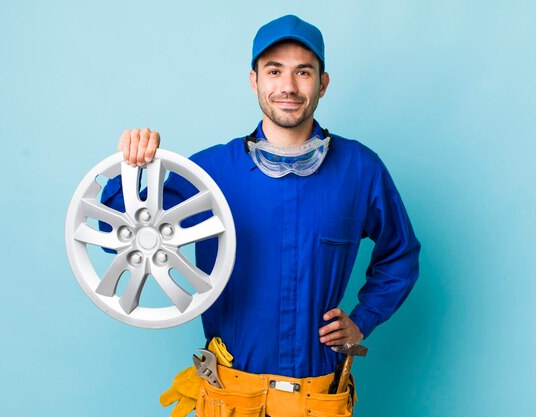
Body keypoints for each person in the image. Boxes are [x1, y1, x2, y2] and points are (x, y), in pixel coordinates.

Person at [101, 14, 420, 417]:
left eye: (303, 72)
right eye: (274, 71)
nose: (288, 86)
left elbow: (401, 254)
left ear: (322, 83)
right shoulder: (208, 173)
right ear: (254, 80)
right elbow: (118, 231)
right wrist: (130, 167)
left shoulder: (360, 169)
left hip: (317, 401)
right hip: (230, 398)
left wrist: (363, 320)